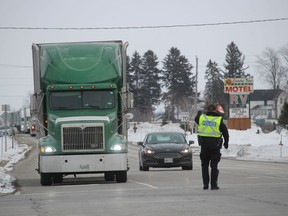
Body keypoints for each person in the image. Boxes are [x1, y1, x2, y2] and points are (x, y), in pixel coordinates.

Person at [195, 104, 229, 190]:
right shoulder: (218, 119)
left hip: (204, 146)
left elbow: (196, 119)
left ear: (207, 110)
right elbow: (225, 132)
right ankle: (213, 185)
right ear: (215, 111)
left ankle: (205, 184)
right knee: (214, 166)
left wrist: (198, 114)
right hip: (215, 146)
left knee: (204, 166)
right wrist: (226, 142)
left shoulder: (202, 118)